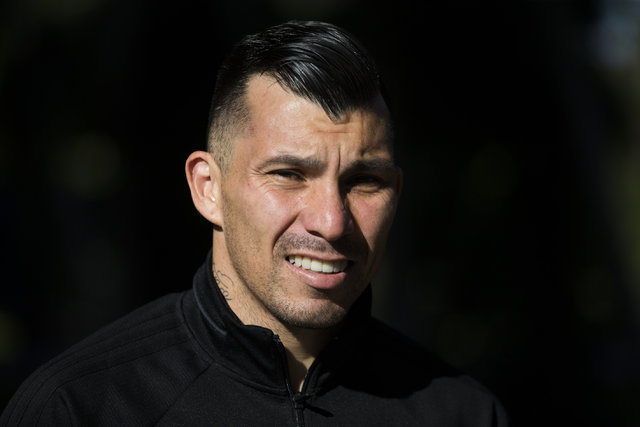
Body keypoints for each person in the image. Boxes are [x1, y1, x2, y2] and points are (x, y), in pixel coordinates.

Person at [1, 20, 508, 426]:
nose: (331, 222)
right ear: (208, 188)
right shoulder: (82, 407)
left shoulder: (460, 413)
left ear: (396, 192)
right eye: (289, 174)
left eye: (363, 181)